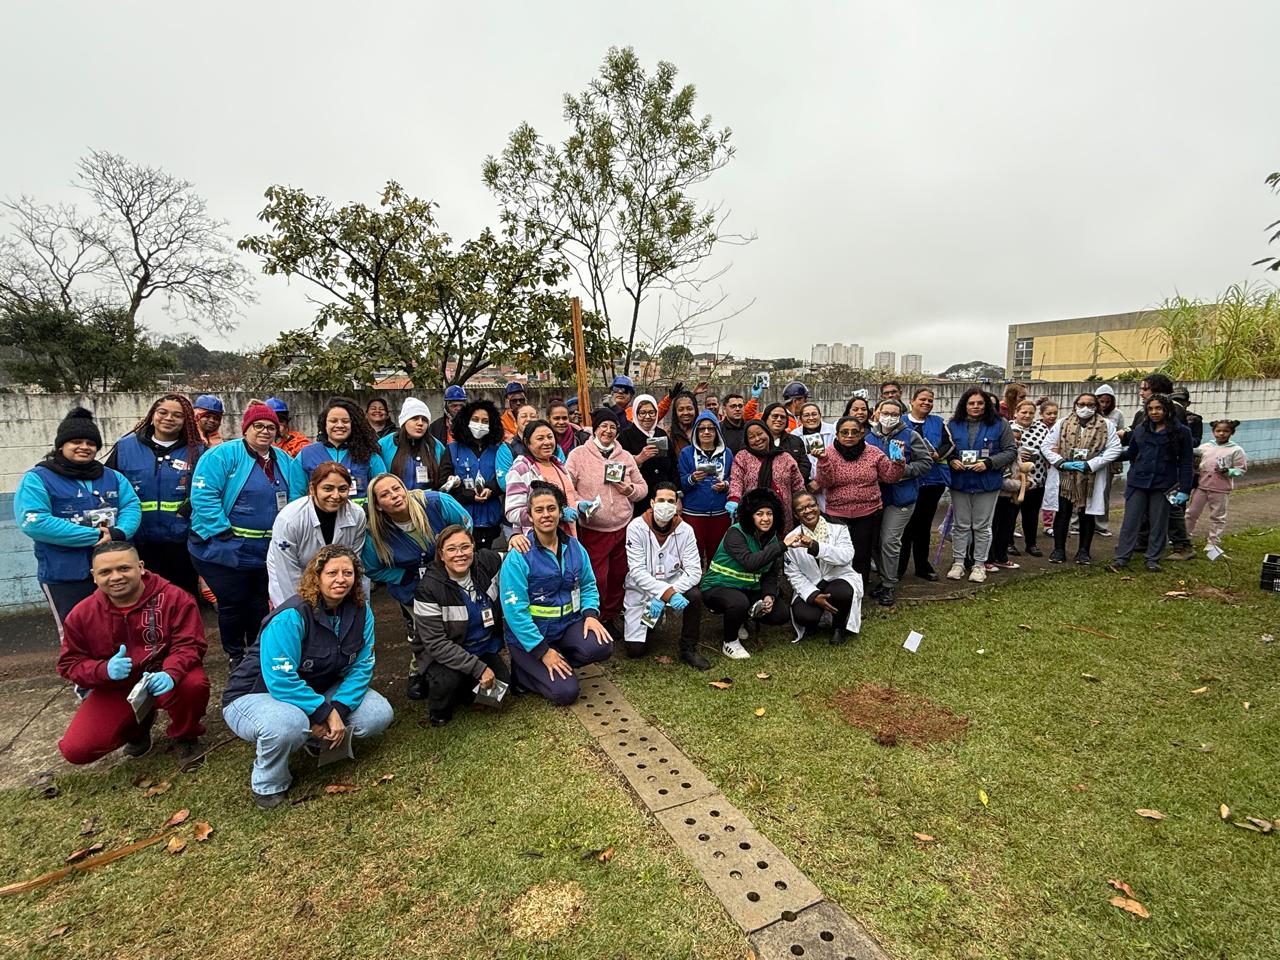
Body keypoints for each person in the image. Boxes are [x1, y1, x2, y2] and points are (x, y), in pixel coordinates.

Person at [222, 544, 393, 809]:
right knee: (286, 724)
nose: (340, 579)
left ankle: (316, 739)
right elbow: (281, 680)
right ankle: (269, 783)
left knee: (377, 714)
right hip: (257, 694)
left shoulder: (361, 611)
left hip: (317, 688)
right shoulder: (292, 615)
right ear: (317, 576)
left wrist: (337, 708)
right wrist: (322, 712)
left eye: (348, 573)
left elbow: (362, 666)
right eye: (332, 572)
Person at [55, 541, 208, 765]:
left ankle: (187, 735)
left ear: (141, 567)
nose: (116, 577)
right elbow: (69, 664)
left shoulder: (176, 599)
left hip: (165, 676)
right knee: (77, 750)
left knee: (193, 684)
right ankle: (137, 728)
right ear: (94, 576)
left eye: (124, 568)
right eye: (105, 572)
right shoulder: (81, 614)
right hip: (117, 686)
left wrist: (171, 672)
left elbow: (190, 645)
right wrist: (102, 669)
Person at [189, 402, 304, 668]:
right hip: (225, 546)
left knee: (259, 602)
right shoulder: (221, 455)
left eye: (271, 427)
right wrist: (223, 534)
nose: (265, 431)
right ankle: (235, 653)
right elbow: (204, 496)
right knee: (232, 603)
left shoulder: (284, 459)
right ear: (246, 428)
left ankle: (257, 648)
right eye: (258, 426)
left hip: (267, 548)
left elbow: (297, 496)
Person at [16, 407, 142, 636]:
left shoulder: (113, 477)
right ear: (60, 445)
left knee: (122, 628)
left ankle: (123, 671)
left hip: (114, 571)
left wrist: (119, 533)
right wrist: (95, 536)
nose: (84, 447)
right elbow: (34, 521)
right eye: (76, 441)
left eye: (90, 443)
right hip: (66, 574)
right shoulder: (38, 479)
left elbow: (131, 506)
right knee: (78, 634)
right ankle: (85, 672)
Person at [499, 481, 613, 705]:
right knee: (566, 693)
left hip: (565, 626)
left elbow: (588, 584)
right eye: (539, 510)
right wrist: (542, 651)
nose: (546, 515)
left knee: (602, 646)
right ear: (530, 516)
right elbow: (515, 612)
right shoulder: (519, 556)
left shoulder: (574, 547)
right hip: (530, 636)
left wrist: (590, 614)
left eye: (551, 508)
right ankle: (524, 671)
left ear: (560, 512)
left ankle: (555, 658)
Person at [362, 472, 471, 697]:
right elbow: (371, 568)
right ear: (379, 506)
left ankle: (468, 667)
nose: (394, 495)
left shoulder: (436, 502)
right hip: (411, 588)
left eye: (396, 488)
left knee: (460, 623)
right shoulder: (375, 533)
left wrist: (457, 560)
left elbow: (466, 526)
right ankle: (419, 672)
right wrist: (402, 577)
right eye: (385, 494)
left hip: (450, 577)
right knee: (424, 631)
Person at [105, 394, 203, 598]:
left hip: (181, 542)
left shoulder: (198, 451)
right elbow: (109, 487)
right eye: (163, 412)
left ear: (186, 421)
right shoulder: (125, 447)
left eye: (177, 415)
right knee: (143, 599)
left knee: (181, 599)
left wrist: (187, 511)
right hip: (137, 542)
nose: (169, 418)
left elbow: (209, 490)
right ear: (152, 416)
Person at [412, 525, 509, 726]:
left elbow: (513, 556)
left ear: (473, 547)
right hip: (444, 654)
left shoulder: (485, 563)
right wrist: (479, 669)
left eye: (465, 547)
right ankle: (438, 706)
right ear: (441, 553)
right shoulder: (428, 588)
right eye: (451, 549)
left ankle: (468, 690)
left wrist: (517, 539)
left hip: (482, 648)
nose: (460, 554)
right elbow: (437, 644)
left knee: (503, 683)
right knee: (447, 682)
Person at [565, 409, 647, 632]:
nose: (608, 431)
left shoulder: (625, 456)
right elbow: (567, 488)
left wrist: (629, 489)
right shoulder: (578, 455)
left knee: (619, 574)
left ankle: (611, 615)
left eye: (612, 427)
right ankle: (594, 616)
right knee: (597, 577)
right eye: (603, 426)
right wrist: (580, 504)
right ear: (595, 429)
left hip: (623, 526)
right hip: (594, 528)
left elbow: (643, 489)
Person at [622, 482, 707, 668]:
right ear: (652, 503)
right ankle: (651, 624)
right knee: (635, 651)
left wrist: (669, 592)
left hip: (674, 585)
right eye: (661, 500)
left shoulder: (685, 530)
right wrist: (663, 593)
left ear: (677, 505)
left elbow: (694, 571)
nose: (666, 505)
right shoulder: (636, 527)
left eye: (671, 501)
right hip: (642, 589)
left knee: (694, 595)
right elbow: (636, 571)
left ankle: (688, 648)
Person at [699, 487, 791, 660]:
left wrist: (769, 595)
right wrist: (782, 546)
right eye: (759, 514)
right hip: (718, 585)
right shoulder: (736, 532)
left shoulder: (772, 538)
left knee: (780, 613)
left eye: (769, 514)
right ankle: (730, 642)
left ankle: (742, 619)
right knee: (738, 602)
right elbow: (750, 563)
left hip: (749, 588)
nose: (765, 519)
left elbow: (771, 573)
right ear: (750, 515)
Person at [1111, 394, 1194, 573]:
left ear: (1167, 410)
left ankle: (1153, 559)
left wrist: (1185, 489)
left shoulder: (1182, 432)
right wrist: (1106, 457)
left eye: (1158, 408)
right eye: (1150, 409)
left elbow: (1186, 462)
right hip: (1138, 482)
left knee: (1159, 522)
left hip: (1164, 484)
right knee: (1130, 521)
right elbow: (1131, 453)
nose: (1154, 412)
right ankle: (1122, 558)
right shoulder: (1141, 430)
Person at [814, 416, 903, 581]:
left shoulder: (873, 453)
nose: (849, 436)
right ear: (837, 435)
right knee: (839, 553)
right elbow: (824, 483)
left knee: (862, 553)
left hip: (867, 513)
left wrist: (898, 462)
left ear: (861, 434)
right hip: (837, 513)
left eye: (854, 432)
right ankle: (840, 586)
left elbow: (891, 478)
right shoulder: (828, 453)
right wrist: (823, 461)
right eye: (844, 432)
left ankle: (860, 587)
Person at [267, 461, 367, 604]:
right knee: (298, 616)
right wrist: (302, 609)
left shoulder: (357, 515)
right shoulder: (289, 519)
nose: (336, 495)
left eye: (342, 489)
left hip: (335, 575)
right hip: (294, 570)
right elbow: (288, 574)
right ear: (312, 489)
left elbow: (354, 563)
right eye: (328, 488)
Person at [944, 388, 1017, 583]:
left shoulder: (1000, 424)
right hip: (960, 481)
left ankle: (979, 564)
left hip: (987, 481)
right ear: (964, 405)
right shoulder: (953, 424)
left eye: (980, 403)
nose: (975, 407)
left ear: (987, 404)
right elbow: (945, 449)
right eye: (971, 403)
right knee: (960, 525)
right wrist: (951, 459)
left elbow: (1011, 451)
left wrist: (989, 463)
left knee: (982, 526)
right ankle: (958, 562)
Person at [1040, 392, 1122, 565]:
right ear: (1075, 405)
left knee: (1087, 514)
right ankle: (1058, 550)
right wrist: (1061, 462)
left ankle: (1083, 551)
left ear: (1096, 406)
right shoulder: (1062, 423)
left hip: (1090, 477)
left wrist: (1091, 464)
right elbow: (1046, 446)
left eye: (1090, 404)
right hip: (1065, 476)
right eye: (1081, 404)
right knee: (1063, 513)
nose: (1085, 408)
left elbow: (1114, 449)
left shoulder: (1106, 425)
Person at [865, 398, 933, 605]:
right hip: (875, 498)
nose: (889, 417)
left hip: (901, 498)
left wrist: (901, 472)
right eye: (886, 412)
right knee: (875, 542)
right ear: (877, 413)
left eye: (895, 414)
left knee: (890, 541)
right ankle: (884, 578)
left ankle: (889, 584)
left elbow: (926, 463)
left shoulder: (910, 436)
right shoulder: (869, 437)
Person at [784, 491, 862, 645]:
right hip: (812, 584)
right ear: (795, 514)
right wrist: (813, 596)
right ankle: (818, 620)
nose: (808, 511)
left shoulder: (838, 529)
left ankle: (838, 627)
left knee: (842, 592)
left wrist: (815, 546)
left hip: (837, 579)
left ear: (818, 506)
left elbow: (846, 556)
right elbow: (793, 574)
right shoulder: (790, 539)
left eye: (811, 505)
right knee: (805, 616)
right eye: (801, 509)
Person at [899, 387, 954, 581]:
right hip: (905, 480)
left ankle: (922, 565)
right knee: (905, 526)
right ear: (912, 401)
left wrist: (938, 454)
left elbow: (949, 444)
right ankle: (899, 566)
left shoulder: (938, 422)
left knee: (923, 525)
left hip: (932, 481)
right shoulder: (900, 421)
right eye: (922, 399)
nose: (926, 403)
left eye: (930, 400)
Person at [298, 397, 389, 506]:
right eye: (333, 421)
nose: (340, 425)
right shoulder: (306, 455)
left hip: (361, 520)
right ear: (324, 424)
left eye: (345, 421)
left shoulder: (369, 455)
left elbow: (383, 490)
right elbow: (296, 496)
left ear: (353, 424)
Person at [440, 398, 504, 549]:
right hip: (461, 516)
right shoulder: (452, 449)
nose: (479, 424)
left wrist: (490, 489)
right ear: (465, 421)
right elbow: (442, 483)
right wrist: (468, 494)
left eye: (484, 421)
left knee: (486, 559)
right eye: (475, 419)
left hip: (490, 518)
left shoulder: (498, 450)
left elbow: (504, 478)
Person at [505, 420, 582, 537]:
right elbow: (513, 512)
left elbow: (566, 500)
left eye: (550, 437)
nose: (547, 442)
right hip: (539, 540)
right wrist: (558, 513)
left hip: (567, 536)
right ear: (527, 442)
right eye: (540, 439)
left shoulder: (558, 464)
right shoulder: (521, 469)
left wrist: (578, 505)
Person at [728, 420, 807, 533]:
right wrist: (734, 499)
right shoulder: (742, 457)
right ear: (747, 440)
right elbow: (736, 481)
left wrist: (802, 504)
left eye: (760, 434)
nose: (757, 439)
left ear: (768, 433)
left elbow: (798, 486)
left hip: (783, 515)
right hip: (753, 514)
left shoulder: (785, 457)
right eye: (752, 437)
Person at [678, 411, 734, 565]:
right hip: (693, 513)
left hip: (720, 512)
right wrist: (692, 479)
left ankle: (713, 586)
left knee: (717, 554)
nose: (706, 432)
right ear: (696, 431)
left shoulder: (727, 453)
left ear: (717, 431)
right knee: (692, 554)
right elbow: (680, 481)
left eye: (711, 428)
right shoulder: (687, 453)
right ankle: (692, 586)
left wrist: (725, 486)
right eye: (702, 429)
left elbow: (733, 478)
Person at [988, 400, 1036, 570]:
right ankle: (988, 558)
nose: (1015, 443)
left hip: (1012, 500)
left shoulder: (1017, 454)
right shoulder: (1000, 455)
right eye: (1012, 440)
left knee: (1007, 529)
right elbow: (1000, 479)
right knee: (993, 528)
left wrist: (1030, 482)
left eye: (1018, 441)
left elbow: (1024, 470)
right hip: (998, 496)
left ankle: (1002, 557)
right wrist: (1019, 485)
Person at [1187, 419, 1247, 549]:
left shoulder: (1236, 450)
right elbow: (1195, 461)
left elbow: (1240, 469)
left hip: (1220, 489)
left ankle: (1213, 543)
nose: (1221, 434)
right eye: (1218, 431)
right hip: (1202, 487)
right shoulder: (1205, 447)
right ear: (1213, 432)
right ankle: (1185, 537)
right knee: (1191, 513)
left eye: (1226, 431)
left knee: (1218, 516)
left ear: (1232, 433)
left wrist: (1228, 471)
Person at [619, 393, 676, 518]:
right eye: (642, 413)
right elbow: (619, 468)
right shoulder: (626, 436)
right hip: (638, 501)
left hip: (663, 499)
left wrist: (676, 494)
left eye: (651, 412)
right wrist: (638, 460)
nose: (647, 417)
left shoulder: (662, 434)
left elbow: (673, 467)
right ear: (635, 413)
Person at [1009, 399, 1048, 558]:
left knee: (1031, 514)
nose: (1027, 415)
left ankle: (1031, 544)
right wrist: (1018, 453)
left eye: (1031, 413)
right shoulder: (1008, 427)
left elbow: (1050, 446)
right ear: (1016, 413)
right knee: (1011, 514)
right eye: (1023, 412)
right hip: (1015, 479)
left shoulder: (1042, 427)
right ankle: (1008, 543)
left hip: (1037, 477)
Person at [380, 398, 445, 492]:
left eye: (425, 420)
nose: (420, 423)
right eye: (414, 418)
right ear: (404, 421)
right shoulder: (385, 444)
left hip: (428, 501)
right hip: (397, 502)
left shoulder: (436, 445)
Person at [1093, 385, 1126, 536]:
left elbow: (1121, 437)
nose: (1104, 405)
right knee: (1082, 491)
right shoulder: (1090, 413)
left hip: (1107, 459)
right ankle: (1077, 524)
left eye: (1107, 402)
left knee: (1104, 492)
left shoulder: (1117, 414)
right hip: (1090, 457)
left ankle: (1101, 524)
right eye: (1101, 401)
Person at [762, 402, 812, 482]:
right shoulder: (757, 441)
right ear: (766, 418)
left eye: (783, 417)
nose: (779, 419)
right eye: (775, 416)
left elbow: (804, 465)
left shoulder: (796, 441)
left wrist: (793, 482)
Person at [495, 403, 541, 488]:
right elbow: (504, 484)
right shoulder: (507, 448)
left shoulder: (549, 444)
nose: (529, 419)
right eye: (524, 416)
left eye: (533, 416)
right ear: (515, 422)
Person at [791, 401, 835, 491]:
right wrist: (807, 482)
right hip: (806, 485)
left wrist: (820, 481)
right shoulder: (794, 435)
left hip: (831, 482)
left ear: (820, 415)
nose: (811, 418)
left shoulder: (833, 431)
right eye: (806, 415)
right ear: (800, 419)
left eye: (814, 414)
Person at [743, 379, 808, 431]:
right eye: (805, 400)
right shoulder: (771, 417)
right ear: (795, 401)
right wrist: (754, 398)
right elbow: (749, 418)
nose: (806, 404)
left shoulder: (799, 421)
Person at [1037, 401, 1060, 535]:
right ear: (1041, 414)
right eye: (1048, 413)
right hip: (1039, 466)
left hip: (1053, 466)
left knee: (1051, 495)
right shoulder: (1038, 428)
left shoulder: (1060, 427)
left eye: (1055, 413)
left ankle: (1048, 524)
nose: (1052, 416)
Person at [667, 391, 700, 461]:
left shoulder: (703, 431)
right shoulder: (669, 434)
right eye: (681, 410)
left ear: (696, 410)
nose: (685, 413)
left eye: (689, 409)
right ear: (675, 412)